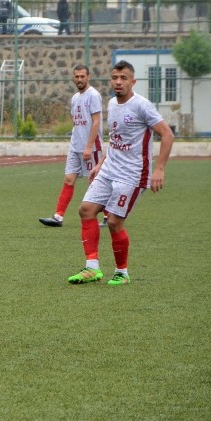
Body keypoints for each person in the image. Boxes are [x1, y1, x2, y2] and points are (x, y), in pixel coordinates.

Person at [67, 60, 174, 286]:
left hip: (133, 175)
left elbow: (167, 134)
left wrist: (160, 169)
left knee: (114, 221)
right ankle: (92, 268)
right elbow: (116, 140)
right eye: (115, 77)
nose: (118, 82)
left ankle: (121, 272)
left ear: (132, 82)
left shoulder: (142, 105)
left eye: (124, 78)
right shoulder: (112, 104)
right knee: (86, 210)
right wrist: (100, 163)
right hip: (109, 169)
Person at [39, 65, 103, 227]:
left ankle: (108, 216)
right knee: (68, 179)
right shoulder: (75, 98)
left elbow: (96, 122)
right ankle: (58, 216)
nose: (80, 79)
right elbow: (77, 123)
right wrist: (76, 142)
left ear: (88, 77)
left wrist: (88, 146)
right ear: (73, 78)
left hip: (91, 147)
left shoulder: (93, 95)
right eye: (77, 77)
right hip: (75, 147)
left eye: (82, 76)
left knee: (96, 182)